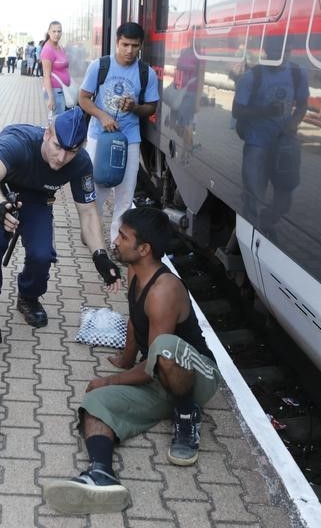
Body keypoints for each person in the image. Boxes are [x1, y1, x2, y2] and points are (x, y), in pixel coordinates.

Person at [43, 207, 221, 514]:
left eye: (123, 236)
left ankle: (187, 413)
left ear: (144, 249)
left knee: (163, 348)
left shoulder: (164, 290)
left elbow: (155, 358)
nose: (115, 240)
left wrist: (111, 379)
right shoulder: (135, 271)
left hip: (194, 376)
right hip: (159, 376)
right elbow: (134, 321)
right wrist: (126, 360)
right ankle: (100, 474)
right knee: (95, 402)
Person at [0, 107, 121, 346]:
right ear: (47, 134)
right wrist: (0, 207)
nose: (61, 158)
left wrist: (100, 255)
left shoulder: (80, 163)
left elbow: (88, 212)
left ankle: (28, 297)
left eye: (71, 151)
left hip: (36, 198)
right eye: (57, 146)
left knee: (41, 255)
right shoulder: (18, 142)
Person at [79, 22, 160, 245]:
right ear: (117, 42)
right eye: (125, 45)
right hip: (99, 137)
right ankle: (92, 233)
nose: (129, 51)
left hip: (130, 139)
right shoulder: (100, 66)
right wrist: (102, 116)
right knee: (96, 189)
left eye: (135, 46)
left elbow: (151, 107)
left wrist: (134, 107)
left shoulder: (146, 74)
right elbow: (83, 98)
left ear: (141, 46)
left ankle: (117, 241)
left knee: (125, 194)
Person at [231, 38, 308, 235]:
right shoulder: (252, 77)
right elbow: (237, 110)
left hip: (284, 146)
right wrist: (264, 111)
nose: (279, 56)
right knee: (254, 195)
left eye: (283, 51)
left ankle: (265, 223)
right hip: (257, 144)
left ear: (289, 50)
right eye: (274, 52)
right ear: (266, 51)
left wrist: (292, 125)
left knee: (284, 199)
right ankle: (251, 234)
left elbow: (302, 104)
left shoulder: (297, 74)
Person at [41, 21, 71, 116]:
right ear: (49, 32)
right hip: (55, 91)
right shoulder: (48, 50)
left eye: (59, 31)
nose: (57, 34)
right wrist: (51, 97)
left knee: (61, 121)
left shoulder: (60, 47)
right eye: (54, 31)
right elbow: (46, 76)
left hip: (63, 90)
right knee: (57, 122)